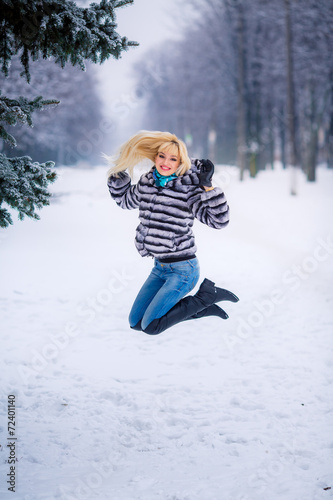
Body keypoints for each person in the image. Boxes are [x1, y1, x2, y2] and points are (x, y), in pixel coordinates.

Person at [105, 130, 239, 335]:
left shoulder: (187, 188)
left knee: (151, 326)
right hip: (159, 268)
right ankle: (200, 307)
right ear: (155, 157)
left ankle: (205, 297)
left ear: (180, 162)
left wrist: (207, 187)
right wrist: (118, 172)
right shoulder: (147, 182)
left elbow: (219, 221)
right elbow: (125, 201)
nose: (166, 162)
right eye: (162, 156)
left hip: (183, 270)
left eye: (173, 158)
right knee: (136, 322)